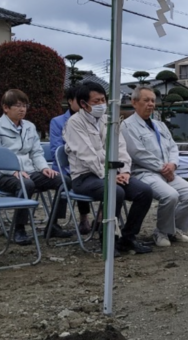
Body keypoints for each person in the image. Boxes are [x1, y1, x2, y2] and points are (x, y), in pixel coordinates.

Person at [64, 82, 153, 255]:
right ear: (83, 104)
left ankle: (128, 238)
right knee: (115, 191)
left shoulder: (109, 120)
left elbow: (121, 148)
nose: (101, 104)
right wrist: (109, 176)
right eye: (96, 101)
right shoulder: (74, 123)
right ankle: (107, 239)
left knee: (144, 192)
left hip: (112, 173)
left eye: (103, 99)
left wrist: (125, 171)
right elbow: (87, 154)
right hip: (84, 176)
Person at [0, 89, 71, 245]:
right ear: (5, 107)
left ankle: (53, 224)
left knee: (62, 180)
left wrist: (44, 167)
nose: (22, 109)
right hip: (4, 174)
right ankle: (19, 228)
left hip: (30, 171)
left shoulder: (29, 126)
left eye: (25, 105)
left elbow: (36, 152)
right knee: (26, 184)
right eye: (17, 105)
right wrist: (13, 171)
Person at [121, 86, 188, 247]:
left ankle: (173, 230)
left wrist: (173, 164)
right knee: (170, 195)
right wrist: (163, 168)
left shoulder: (160, 125)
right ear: (134, 102)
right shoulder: (127, 126)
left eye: (152, 100)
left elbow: (172, 146)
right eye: (146, 100)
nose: (151, 104)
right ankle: (161, 232)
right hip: (145, 173)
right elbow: (138, 153)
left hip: (167, 172)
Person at [49, 84, 92, 235]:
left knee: (89, 175)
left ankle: (93, 219)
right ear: (69, 101)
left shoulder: (90, 120)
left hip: (85, 164)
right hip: (64, 167)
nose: (82, 105)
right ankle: (58, 222)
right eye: (79, 100)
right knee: (71, 178)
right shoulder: (58, 121)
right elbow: (56, 149)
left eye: (85, 101)